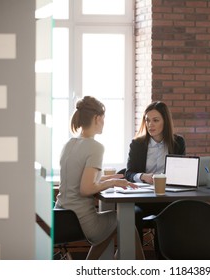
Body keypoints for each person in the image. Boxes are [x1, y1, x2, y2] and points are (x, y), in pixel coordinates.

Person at [54, 96, 144, 260]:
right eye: (103, 118)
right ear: (97, 118)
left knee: (113, 228)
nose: (104, 122)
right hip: (83, 221)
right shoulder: (95, 147)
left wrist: (104, 180)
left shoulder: (69, 144)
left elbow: (78, 181)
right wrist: (113, 182)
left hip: (64, 217)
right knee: (126, 223)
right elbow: (86, 188)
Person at [125, 101, 186, 254]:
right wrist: (143, 176)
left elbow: (182, 172)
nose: (150, 124)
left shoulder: (178, 142)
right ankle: (136, 259)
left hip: (166, 198)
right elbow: (129, 173)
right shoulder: (137, 144)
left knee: (177, 212)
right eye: (147, 120)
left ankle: (164, 259)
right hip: (143, 198)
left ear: (165, 121)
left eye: (155, 120)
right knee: (133, 213)